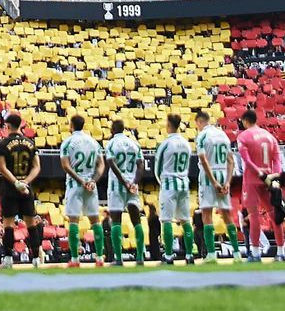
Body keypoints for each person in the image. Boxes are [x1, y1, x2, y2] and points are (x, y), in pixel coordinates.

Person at [0, 112, 42, 267]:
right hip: (26, 189)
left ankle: (8, 259)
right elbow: (37, 167)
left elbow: (2, 168)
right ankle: (36, 259)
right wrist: (26, 182)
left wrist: (16, 182)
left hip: (10, 189)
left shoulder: (3, 144)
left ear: (8, 126)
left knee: (8, 223)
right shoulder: (30, 143)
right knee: (31, 223)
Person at [235, 109, 282, 262]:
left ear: (245, 121)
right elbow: (277, 160)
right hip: (269, 179)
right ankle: (281, 252)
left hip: (252, 180)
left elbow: (247, 161)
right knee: (275, 214)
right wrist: (274, 176)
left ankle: (255, 254)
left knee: (254, 216)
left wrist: (260, 174)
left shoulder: (243, 136)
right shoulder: (270, 136)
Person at [58, 114, 104, 267]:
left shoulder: (67, 143)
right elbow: (101, 165)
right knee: (95, 220)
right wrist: (92, 181)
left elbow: (65, 166)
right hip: (91, 185)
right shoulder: (93, 142)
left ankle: (75, 259)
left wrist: (80, 180)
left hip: (75, 185)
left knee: (73, 220)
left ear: (71, 125)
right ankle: (99, 257)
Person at [192, 109, 238, 262]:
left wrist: (214, 182)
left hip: (208, 176)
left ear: (199, 122)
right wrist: (227, 183)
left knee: (206, 214)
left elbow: (203, 160)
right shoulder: (222, 134)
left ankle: (211, 254)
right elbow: (231, 161)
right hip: (223, 173)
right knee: (227, 215)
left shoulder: (202, 136)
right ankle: (237, 253)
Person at [102, 118, 144, 266]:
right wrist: (133, 183)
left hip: (117, 186)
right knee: (136, 220)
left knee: (116, 220)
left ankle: (118, 259)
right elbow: (140, 165)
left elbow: (111, 163)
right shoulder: (134, 144)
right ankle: (140, 257)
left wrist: (123, 181)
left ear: (113, 130)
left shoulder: (111, 144)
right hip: (133, 185)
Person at [154, 113, 195, 264]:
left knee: (166, 220)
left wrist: (162, 181)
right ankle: (190, 255)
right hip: (184, 183)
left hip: (169, 183)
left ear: (169, 125)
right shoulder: (186, 143)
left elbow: (157, 168)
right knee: (185, 220)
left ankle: (169, 255)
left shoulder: (165, 144)